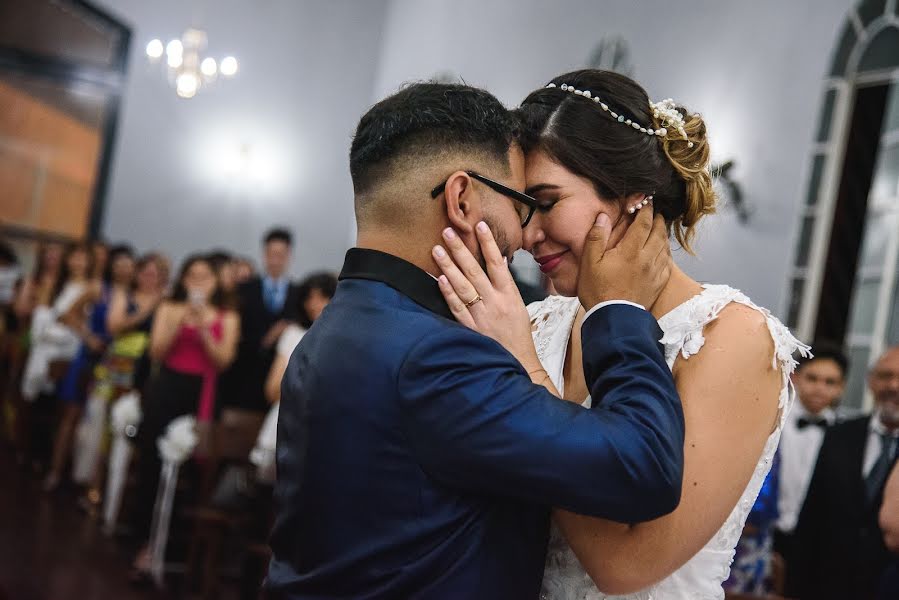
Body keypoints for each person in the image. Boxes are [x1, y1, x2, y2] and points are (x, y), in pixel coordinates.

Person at [267, 82, 685, 599]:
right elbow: (642, 466)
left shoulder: (340, 325)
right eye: (522, 202)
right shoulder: (435, 355)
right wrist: (617, 309)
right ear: (462, 198)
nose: (528, 232)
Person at [433, 70, 808, 599]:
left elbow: (629, 565)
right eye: (523, 207)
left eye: (545, 202)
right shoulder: (537, 322)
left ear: (633, 196)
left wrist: (526, 372)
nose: (528, 233)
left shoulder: (733, 338)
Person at [130, 254, 240, 581]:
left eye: (205, 277)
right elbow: (156, 353)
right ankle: (145, 545)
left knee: (196, 469)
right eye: (192, 276)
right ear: (183, 280)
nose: (198, 283)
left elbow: (223, 361)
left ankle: (182, 549)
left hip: (203, 393)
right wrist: (180, 322)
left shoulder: (227, 315)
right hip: (167, 389)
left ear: (215, 281)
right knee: (151, 464)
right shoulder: (169, 307)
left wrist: (205, 328)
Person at [790, 345, 899, 600]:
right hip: (826, 586)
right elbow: (812, 515)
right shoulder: (840, 434)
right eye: (885, 376)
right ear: (870, 382)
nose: (893, 385)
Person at [775, 342, 848, 568]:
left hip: (818, 546)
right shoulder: (773, 421)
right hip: (765, 534)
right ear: (795, 377)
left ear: (841, 388)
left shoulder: (846, 434)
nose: (820, 388)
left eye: (830, 382)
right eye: (813, 378)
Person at [219, 229, 299, 414]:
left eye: (281, 254)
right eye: (271, 254)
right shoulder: (244, 290)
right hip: (242, 377)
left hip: (279, 381)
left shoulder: (299, 294)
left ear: (289, 256)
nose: (275, 260)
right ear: (264, 254)